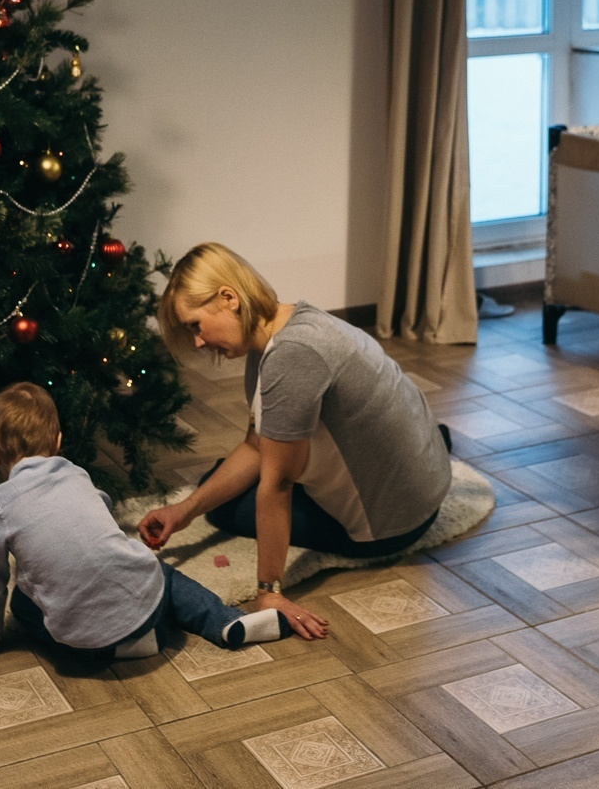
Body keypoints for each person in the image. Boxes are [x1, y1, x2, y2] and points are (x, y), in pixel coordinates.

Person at [141, 244, 453, 640]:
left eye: (195, 325)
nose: (198, 342)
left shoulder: (292, 358)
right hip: (425, 483)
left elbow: (278, 483)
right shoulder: (289, 324)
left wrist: (268, 592)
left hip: (393, 525)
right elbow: (256, 445)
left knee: (227, 506)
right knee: (218, 482)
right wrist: (183, 511)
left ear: (228, 298)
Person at [0, 381, 288, 661]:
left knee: (21, 602)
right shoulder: (77, 474)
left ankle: (123, 647)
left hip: (82, 639)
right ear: (58, 441)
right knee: (163, 575)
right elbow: (101, 513)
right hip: (143, 600)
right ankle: (226, 622)